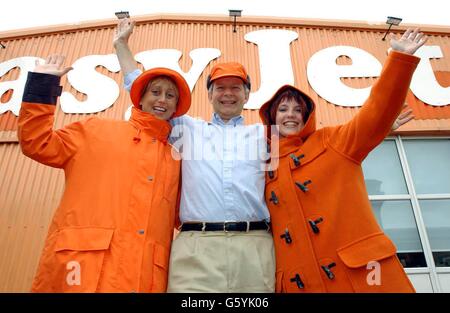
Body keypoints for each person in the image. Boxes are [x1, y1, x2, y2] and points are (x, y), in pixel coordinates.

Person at [258, 28, 427, 292]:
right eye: (282, 109)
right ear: (271, 116)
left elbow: (375, 113)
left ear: (307, 116)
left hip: (364, 278)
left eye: (297, 110)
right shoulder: (263, 163)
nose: (290, 115)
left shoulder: (334, 141)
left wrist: (399, 60)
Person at [114, 18, 275, 292]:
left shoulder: (266, 136)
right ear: (210, 95)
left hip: (255, 247)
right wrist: (121, 46)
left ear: (247, 95)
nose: (228, 94)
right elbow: (140, 89)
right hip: (196, 250)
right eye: (220, 88)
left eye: (235, 88)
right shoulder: (185, 129)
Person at [17, 54, 191, 292]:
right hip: (81, 272)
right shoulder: (93, 131)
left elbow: (185, 216)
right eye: (155, 92)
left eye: (170, 96)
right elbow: (36, 142)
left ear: (176, 107)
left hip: (144, 278)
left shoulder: (176, 160)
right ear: (140, 99)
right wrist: (41, 85)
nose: (162, 100)